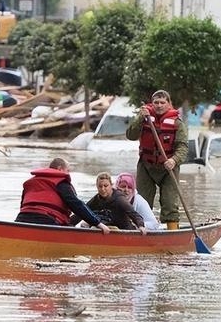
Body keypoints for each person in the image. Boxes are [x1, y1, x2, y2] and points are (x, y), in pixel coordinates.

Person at [126, 89, 188, 230]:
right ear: (151, 104)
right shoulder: (144, 118)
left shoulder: (178, 124)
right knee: (141, 200)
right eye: (156, 103)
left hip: (168, 167)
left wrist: (174, 160)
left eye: (162, 102)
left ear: (168, 104)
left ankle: (173, 232)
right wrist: (139, 118)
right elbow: (130, 135)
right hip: (146, 166)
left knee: (170, 203)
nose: (159, 105)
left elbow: (183, 147)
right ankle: (140, 229)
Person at [16, 157, 111, 234]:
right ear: (60, 169)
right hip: (46, 220)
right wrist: (98, 223)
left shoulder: (31, 182)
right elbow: (76, 204)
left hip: (21, 219)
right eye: (67, 170)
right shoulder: (60, 182)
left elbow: (23, 205)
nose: (68, 173)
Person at [71, 172, 147, 234]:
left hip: (122, 231)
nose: (103, 189)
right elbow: (82, 212)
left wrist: (141, 226)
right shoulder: (96, 199)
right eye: (100, 186)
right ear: (97, 187)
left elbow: (134, 214)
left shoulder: (120, 199)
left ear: (111, 185)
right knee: (85, 224)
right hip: (105, 229)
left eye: (106, 186)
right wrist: (68, 224)